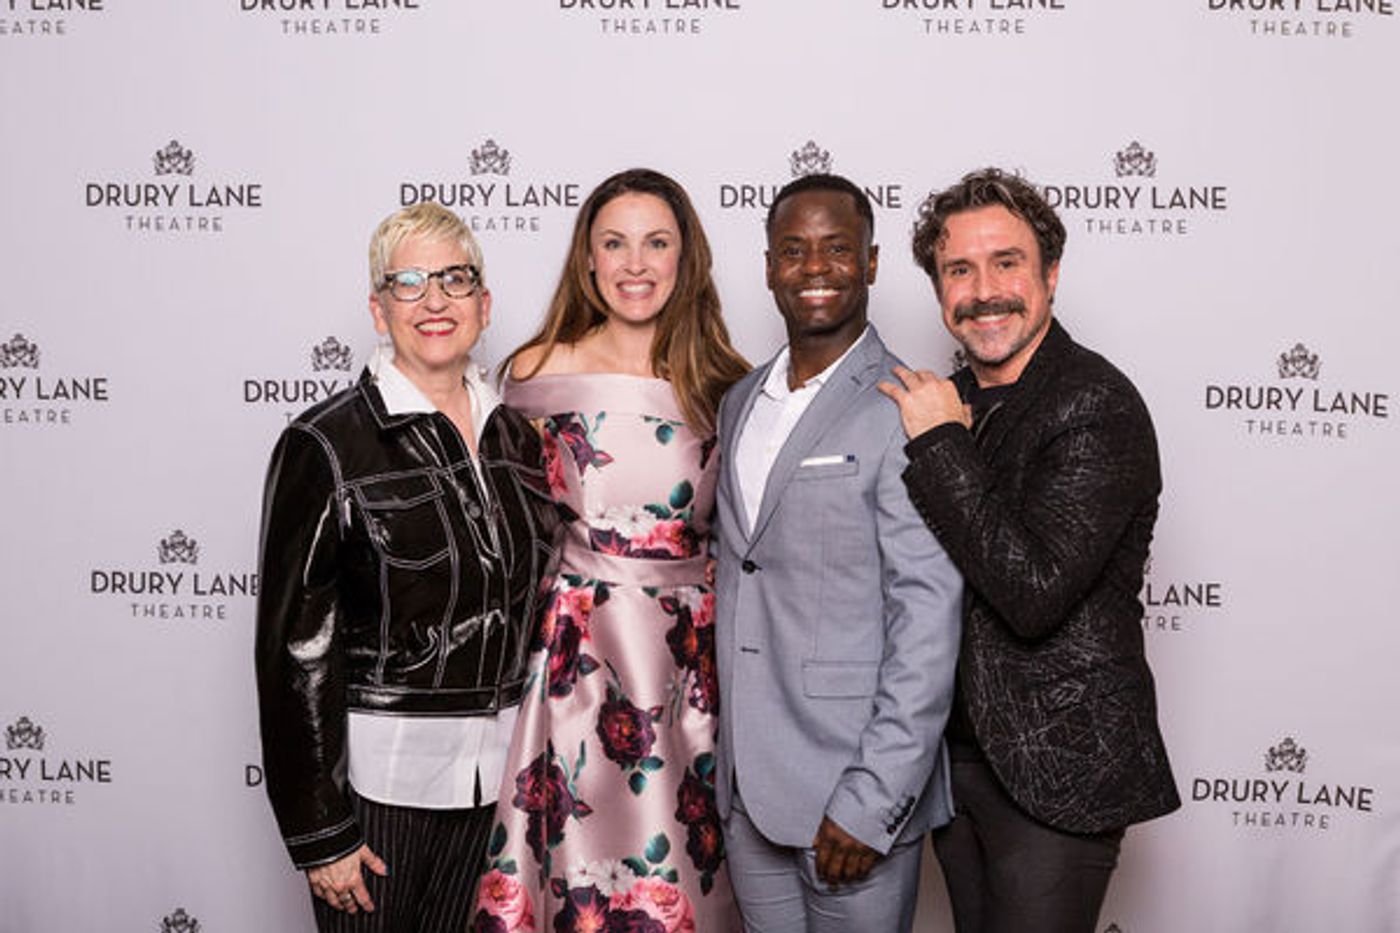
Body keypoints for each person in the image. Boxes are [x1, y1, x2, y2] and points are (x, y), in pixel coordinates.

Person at [878, 167, 1180, 933]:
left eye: (1006, 263)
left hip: (1059, 767)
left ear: (1050, 273)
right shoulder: (952, 400)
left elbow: (1034, 588)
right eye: (959, 269)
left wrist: (942, 441)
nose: (985, 290)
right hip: (954, 761)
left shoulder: (1095, 403)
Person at [255, 202, 561, 933]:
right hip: (379, 790)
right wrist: (322, 831)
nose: (433, 300)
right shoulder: (324, 443)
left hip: (499, 783)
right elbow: (296, 649)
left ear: (484, 306)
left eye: (454, 279)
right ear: (378, 306)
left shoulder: (517, 437)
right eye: (410, 281)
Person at [470, 168, 750, 932]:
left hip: (692, 666)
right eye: (615, 243)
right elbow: (508, 532)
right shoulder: (535, 373)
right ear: (587, 260)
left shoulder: (726, 381)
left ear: (684, 257)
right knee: (575, 868)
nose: (635, 263)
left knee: (684, 870)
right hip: (576, 661)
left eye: (656, 242)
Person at [712, 173, 963, 933]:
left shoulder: (905, 404)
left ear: (873, 262)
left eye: (835, 249)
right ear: (766, 267)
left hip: (851, 794)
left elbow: (927, 615)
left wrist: (875, 796)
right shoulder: (738, 400)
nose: (814, 268)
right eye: (793, 250)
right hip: (747, 789)